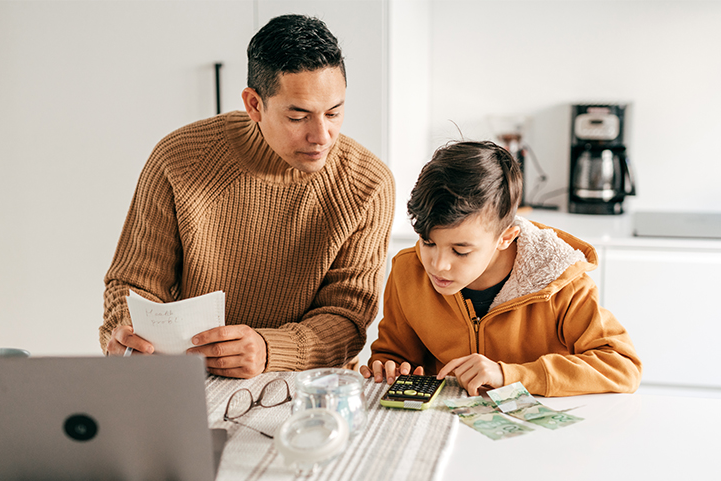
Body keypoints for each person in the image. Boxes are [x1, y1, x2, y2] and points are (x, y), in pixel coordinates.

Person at [100, 14, 395, 379]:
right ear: (254, 104)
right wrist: (127, 333)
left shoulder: (368, 184)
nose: (322, 135)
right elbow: (134, 284)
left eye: (334, 112)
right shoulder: (179, 159)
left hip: (310, 387)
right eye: (299, 116)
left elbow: (347, 319)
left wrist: (270, 351)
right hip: (189, 379)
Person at [359, 140, 641, 396]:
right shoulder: (408, 270)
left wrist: (512, 375)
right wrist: (390, 366)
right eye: (428, 242)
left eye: (461, 251)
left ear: (505, 238)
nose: (438, 265)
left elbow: (622, 367)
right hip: (446, 433)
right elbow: (395, 353)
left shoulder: (561, 282)